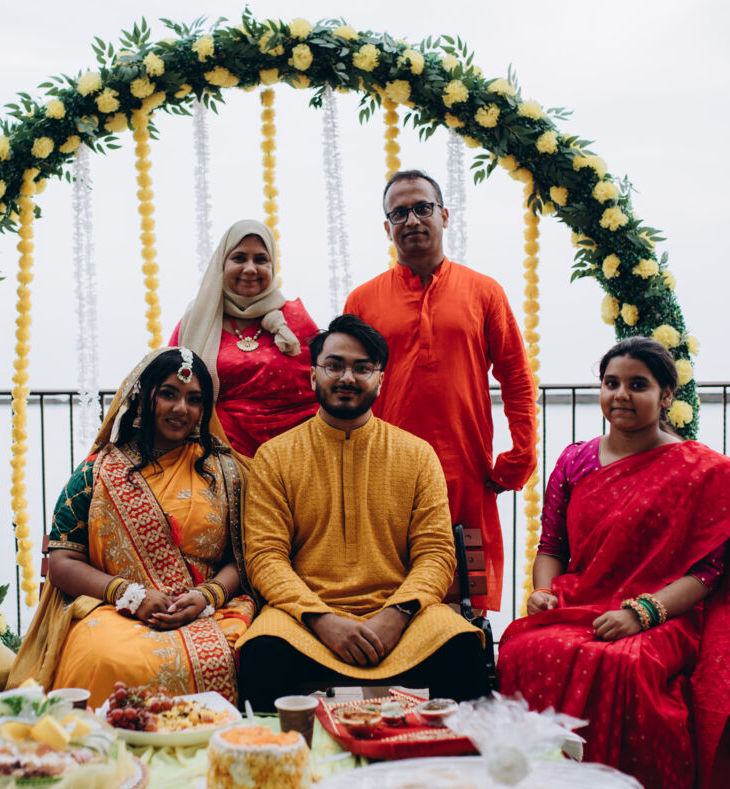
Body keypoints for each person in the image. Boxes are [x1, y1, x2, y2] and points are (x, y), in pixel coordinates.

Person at [497, 337, 730, 789]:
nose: (621, 395)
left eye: (638, 385)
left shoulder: (697, 469)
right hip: (581, 599)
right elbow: (552, 548)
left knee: (626, 665)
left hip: (667, 612)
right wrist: (542, 591)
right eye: (611, 383)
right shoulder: (574, 461)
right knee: (525, 646)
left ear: (666, 396)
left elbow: (706, 574)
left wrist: (642, 613)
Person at [236, 314, 487, 710]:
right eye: (334, 365)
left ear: (380, 379)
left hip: (401, 617)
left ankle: (441, 751)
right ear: (313, 375)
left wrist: (397, 614)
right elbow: (266, 558)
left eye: (362, 368)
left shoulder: (417, 455)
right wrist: (321, 619)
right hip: (304, 621)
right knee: (262, 652)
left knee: (462, 649)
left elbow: (436, 554)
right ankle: (286, 750)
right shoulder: (275, 456)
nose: (347, 378)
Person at [9, 347, 253, 707]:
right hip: (117, 608)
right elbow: (62, 562)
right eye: (168, 394)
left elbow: (245, 557)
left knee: (248, 651)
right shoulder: (97, 472)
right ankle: (111, 742)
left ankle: (217, 739)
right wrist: (131, 596)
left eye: (194, 399)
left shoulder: (227, 472)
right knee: (106, 656)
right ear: (142, 397)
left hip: (211, 608)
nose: (181, 409)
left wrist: (208, 595)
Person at [344, 169, 537, 612]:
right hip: (386, 472)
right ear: (387, 226)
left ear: (444, 216)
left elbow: (516, 378)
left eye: (422, 208)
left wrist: (522, 453)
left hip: (465, 470)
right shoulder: (363, 300)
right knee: (389, 597)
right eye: (399, 212)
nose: (412, 220)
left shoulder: (484, 292)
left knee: (466, 602)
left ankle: (466, 654)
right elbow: (346, 388)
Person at [170, 219, 319, 457]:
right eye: (239, 258)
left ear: (272, 265)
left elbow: (323, 383)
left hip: (294, 459)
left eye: (260, 259)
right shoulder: (197, 320)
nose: (250, 269)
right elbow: (169, 384)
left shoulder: (295, 320)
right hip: (217, 458)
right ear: (222, 264)